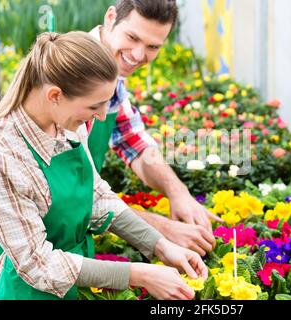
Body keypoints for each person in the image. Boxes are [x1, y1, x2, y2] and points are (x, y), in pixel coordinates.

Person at [0, 31, 206, 300]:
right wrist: (139, 274)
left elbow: (97, 197)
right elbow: (38, 264)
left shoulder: (66, 124)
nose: (103, 115)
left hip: (78, 279)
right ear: (55, 95)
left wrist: (161, 245)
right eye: (95, 105)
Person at [86, 0, 223, 251]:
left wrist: (178, 192)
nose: (139, 55)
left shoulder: (109, 75)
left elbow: (133, 142)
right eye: (132, 37)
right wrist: (161, 229)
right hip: (20, 256)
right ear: (110, 17)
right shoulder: (74, 72)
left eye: (152, 46)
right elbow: (69, 194)